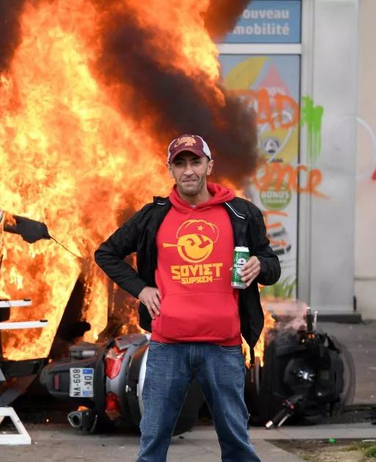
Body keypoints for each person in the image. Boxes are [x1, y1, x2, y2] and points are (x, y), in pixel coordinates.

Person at [94, 134, 280, 462]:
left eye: (195, 162)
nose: (188, 170)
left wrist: (260, 265)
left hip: (222, 347)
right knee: (153, 443)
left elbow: (272, 266)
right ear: (170, 169)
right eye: (180, 163)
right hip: (168, 346)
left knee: (236, 443)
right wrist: (141, 289)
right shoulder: (154, 216)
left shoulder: (241, 214)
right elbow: (106, 253)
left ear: (209, 165)